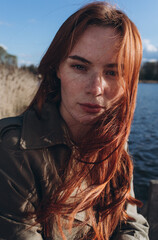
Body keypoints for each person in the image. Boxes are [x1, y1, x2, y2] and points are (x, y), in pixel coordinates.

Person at [0, 1, 149, 239]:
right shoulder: (14, 149)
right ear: (57, 68)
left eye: (113, 72)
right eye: (80, 66)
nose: (96, 88)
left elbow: (130, 222)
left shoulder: (116, 143)